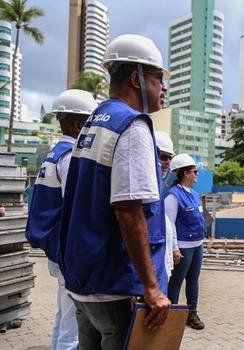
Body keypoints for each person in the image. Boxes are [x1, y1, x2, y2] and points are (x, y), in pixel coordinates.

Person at [58, 34, 171, 349]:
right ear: (136, 78)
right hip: (116, 285)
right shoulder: (132, 126)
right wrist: (151, 287)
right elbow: (128, 209)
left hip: (84, 280)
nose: (163, 88)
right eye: (158, 79)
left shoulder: (95, 121)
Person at [25, 89, 98, 350]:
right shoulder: (69, 157)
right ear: (79, 125)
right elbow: (76, 206)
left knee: (62, 314)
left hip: (55, 246)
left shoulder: (54, 153)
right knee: (73, 325)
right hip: (65, 249)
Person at [165, 154, 206, 330]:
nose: (197, 174)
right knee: (176, 282)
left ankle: (192, 313)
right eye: (194, 171)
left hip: (197, 245)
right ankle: (170, 316)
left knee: (193, 280)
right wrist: (174, 248)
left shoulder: (195, 195)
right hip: (183, 247)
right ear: (185, 173)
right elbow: (169, 224)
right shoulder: (173, 196)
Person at [155, 131, 182, 278]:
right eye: (163, 157)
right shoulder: (172, 194)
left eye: (170, 158)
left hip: (162, 258)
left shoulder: (159, 186)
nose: (167, 162)